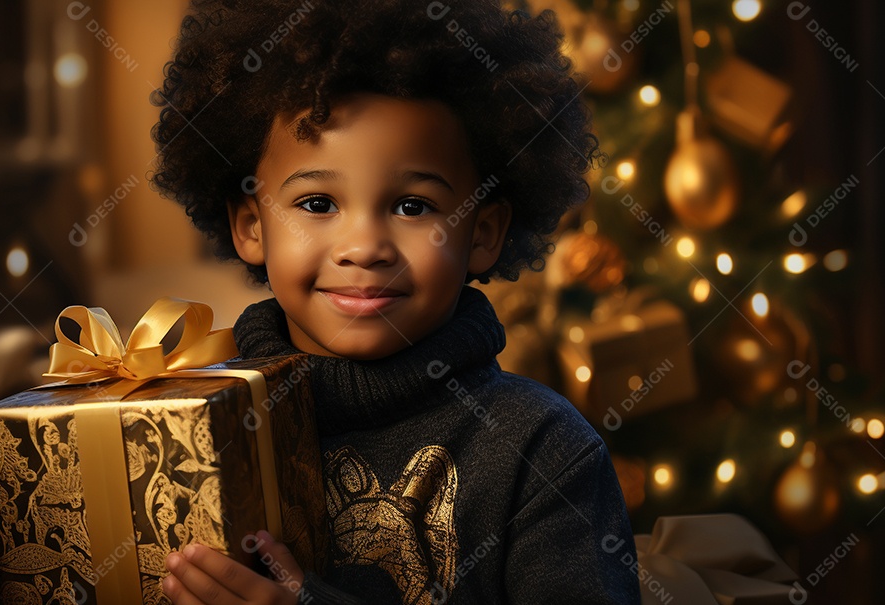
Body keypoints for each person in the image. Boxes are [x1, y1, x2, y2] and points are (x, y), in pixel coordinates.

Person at [150, 1, 640, 603]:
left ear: (481, 232)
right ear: (252, 226)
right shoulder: (192, 432)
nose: (364, 248)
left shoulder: (543, 451)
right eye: (317, 204)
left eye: (413, 206)